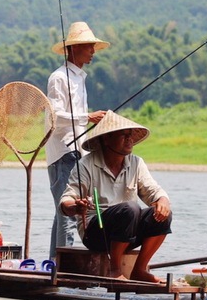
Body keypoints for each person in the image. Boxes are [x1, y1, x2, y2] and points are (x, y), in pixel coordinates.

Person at [59, 110, 172, 283]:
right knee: (130, 208)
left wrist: (162, 200)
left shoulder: (136, 163)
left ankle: (139, 270)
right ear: (106, 139)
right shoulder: (86, 164)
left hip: (128, 231)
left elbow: (153, 191)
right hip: (96, 233)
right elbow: (67, 200)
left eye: (130, 135)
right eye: (123, 135)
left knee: (163, 214)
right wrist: (76, 207)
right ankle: (115, 270)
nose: (130, 139)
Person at [45, 21, 109, 255]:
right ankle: (62, 269)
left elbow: (75, 119)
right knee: (68, 214)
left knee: (63, 212)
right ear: (73, 49)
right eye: (89, 47)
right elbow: (55, 116)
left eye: (93, 47)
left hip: (76, 150)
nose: (93, 51)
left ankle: (55, 263)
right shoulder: (59, 77)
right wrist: (87, 116)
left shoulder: (80, 78)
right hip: (63, 152)